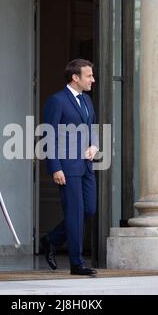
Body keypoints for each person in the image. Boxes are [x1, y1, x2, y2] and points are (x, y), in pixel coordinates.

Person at [41, 59, 99, 276]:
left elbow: (92, 126)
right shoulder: (57, 101)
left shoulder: (87, 100)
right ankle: (77, 263)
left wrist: (95, 145)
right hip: (67, 166)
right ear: (75, 78)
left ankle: (51, 240)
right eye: (89, 76)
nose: (93, 80)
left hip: (86, 165)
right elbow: (49, 135)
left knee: (89, 209)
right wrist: (55, 167)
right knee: (75, 212)